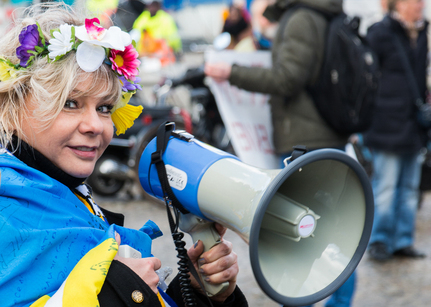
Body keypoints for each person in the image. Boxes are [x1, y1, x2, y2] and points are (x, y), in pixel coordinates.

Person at [0, 3, 248, 306]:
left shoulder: (65, 194)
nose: (95, 125)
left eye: (104, 107)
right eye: (70, 103)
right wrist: (120, 289)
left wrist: (194, 292)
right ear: (12, 107)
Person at [205, 1, 355, 306]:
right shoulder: (317, 14)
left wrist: (232, 72)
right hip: (320, 135)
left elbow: (287, 77)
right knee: (324, 230)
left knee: (305, 234)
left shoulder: (301, 18)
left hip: (307, 139)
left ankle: (316, 298)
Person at [364, 0, 428, 261]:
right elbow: (367, 78)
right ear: (399, 4)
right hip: (386, 123)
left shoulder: (422, 32)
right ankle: (379, 240)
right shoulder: (380, 32)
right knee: (387, 187)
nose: (421, 5)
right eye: (415, 1)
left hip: (413, 125)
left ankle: (403, 240)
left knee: (410, 188)